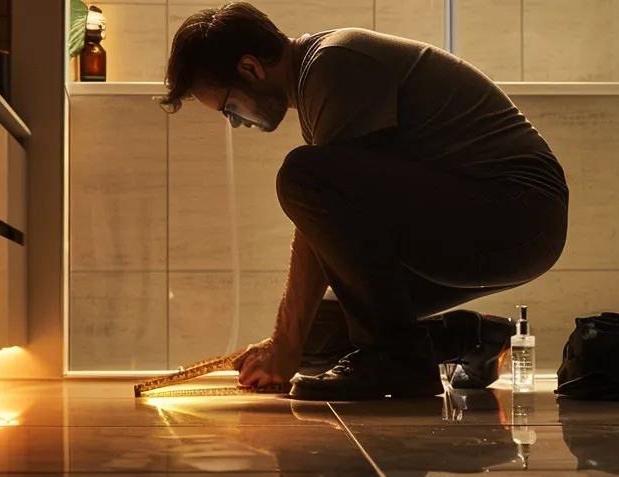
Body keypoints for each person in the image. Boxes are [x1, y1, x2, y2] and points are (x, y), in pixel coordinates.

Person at [160, 3, 570, 401]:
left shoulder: (335, 62)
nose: (235, 121)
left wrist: (284, 341)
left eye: (229, 106)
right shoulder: (316, 77)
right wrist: (288, 342)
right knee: (318, 341)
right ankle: (469, 337)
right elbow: (336, 223)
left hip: (520, 214)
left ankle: (400, 361)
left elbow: (323, 206)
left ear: (251, 68)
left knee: (302, 174)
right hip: (488, 223)